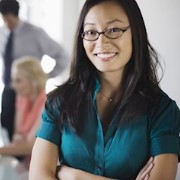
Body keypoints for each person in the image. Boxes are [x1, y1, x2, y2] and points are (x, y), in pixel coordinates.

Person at [29, 0, 180, 179]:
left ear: (135, 33)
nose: (102, 42)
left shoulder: (162, 110)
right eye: (92, 32)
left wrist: (73, 176)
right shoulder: (58, 103)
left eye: (114, 30)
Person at [0, 0, 68, 140]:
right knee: (9, 129)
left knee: (32, 134)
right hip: (9, 89)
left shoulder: (35, 33)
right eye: (3, 19)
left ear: (15, 15)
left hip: (30, 90)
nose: (6, 23)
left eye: (8, 19)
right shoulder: (2, 33)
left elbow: (62, 56)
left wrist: (44, 77)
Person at [0, 56, 47, 168]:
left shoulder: (47, 105)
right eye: (13, 80)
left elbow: (30, 146)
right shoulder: (21, 99)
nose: (13, 86)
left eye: (18, 81)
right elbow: (18, 134)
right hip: (24, 163)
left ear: (34, 81)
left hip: (41, 165)